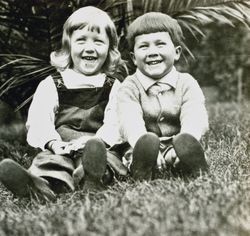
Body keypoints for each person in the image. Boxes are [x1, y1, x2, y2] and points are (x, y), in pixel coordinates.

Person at [0, 6, 127, 200]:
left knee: (104, 161)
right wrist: (53, 143)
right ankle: (39, 187)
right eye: (81, 40)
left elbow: (116, 122)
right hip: (62, 147)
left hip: (98, 147)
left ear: (109, 49)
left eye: (99, 42)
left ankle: (93, 181)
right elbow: (39, 120)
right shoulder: (52, 84)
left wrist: (99, 141)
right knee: (49, 164)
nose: (90, 48)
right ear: (68, 46)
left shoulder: (113, 85)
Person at [115, 12, 209, 180]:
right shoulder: (129, 86)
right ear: (133, 58)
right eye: (144, 46)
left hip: (177, 143)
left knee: (184, 149)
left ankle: (187, 162)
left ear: (177, 52)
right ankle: (142, 167)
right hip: (141, 144)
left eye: (160, 44)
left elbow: (195, 115)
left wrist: (187, 138)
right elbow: (129, 120)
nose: (152, 52)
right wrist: (140, 142)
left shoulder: (187, 82)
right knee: (134, 154)